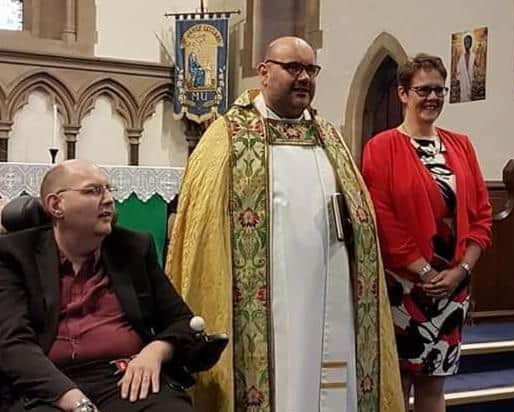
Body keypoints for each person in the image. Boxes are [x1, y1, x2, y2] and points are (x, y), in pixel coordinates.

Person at [166, 36, 404, 412]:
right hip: (262, 301)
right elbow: (202, 232)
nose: (304, 78)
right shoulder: (227, 136)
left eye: (310, 69)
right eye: (293, 68)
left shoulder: (329, 136)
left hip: (331, 290)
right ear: (263, 72)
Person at [0, 160, 196, 412]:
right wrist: (75, 401)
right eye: (93, 190)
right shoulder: (14, 255)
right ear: (55, 205)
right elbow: (13, 344)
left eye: (109, 189)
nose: (108, 200)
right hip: (48, 386)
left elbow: (182, 322)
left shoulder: (132, 248)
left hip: (124, 379)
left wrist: (155, 351)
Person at [362, 54, 492, 412]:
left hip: (452, 289)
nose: (432, 97)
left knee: (434, 384)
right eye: (423, 90)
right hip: (404, 289)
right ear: (404, 93)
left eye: (439, 89)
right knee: (399, 382)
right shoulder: (382, 146)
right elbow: (383, 218)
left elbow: (481, 216)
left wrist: (460, 272)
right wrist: (424, 271)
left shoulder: (461, 145)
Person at [456, 34, 476, 102]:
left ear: (471, 43)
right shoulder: (461, 58)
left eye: (468, 42)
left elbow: (476, 68)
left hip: (471, 82)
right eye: (465, 42)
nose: (467, 44)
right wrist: (459, 79)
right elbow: (458, 71)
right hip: (463, 84)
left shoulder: (473, 56)